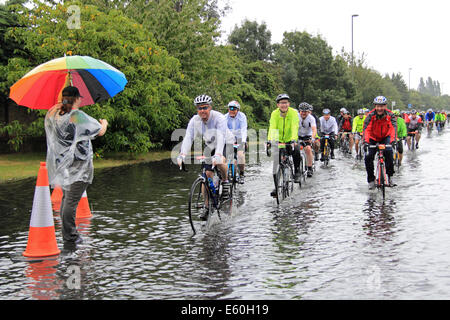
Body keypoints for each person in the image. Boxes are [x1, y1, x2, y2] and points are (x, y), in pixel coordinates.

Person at [45, 86, 108, 247]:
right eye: (79, 97)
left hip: (65, 164)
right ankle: (70, 237)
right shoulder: (76, 116)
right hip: (80, 164)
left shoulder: (56, 114)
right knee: (71, 201)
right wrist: (104, 123)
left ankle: (67, 234)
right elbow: (99, 131)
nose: (81, 99)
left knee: (67, 199)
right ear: (76, 99)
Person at [177, 95, 235, 219]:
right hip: (209, 145)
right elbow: (188, 137)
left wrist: (218, 154)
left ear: (210, 107)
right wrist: (182, 155)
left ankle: (225, 182)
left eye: (205, 107)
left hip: (225, 142)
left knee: (220, 161)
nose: (202, 110)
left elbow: (221, 137)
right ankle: (207, 206)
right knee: (207, 174)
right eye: (199, 108)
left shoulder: (218, 117)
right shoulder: (194, 120)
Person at [267, 93, 300, 196]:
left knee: (297, 151)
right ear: (278, 105)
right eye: (281, 103)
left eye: (285, 103)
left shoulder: (294, 113)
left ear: (288, 104)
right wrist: (270, 140)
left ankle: (297, 172)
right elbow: (272, 127)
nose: (284, 105)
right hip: (279, 140)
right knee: (276, 163)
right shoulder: (274, 114)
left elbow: (295, 126)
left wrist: (294, 140)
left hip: (291, 140)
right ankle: (276, 187)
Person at [363, 96, 397, 189]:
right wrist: (366, 142)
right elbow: (367, 129)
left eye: (382, 106)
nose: (379, 108)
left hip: (385, 137)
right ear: (375, 106)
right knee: (368, 156)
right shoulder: (370, 115)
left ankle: (390, 176)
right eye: (378, 106)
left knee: (389, 152)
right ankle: (371, 180)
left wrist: (393, 140)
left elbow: (393, 128)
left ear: (385, 106)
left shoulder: (390, 115)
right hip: (372, 137)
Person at [225, 100, 248, 184]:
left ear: (237, 110)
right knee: (227, 158)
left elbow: (244, 130)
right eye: (230, 109)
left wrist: (243, 141)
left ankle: (241, 174)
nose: (231, 111)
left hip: (240, 138)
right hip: (229, 139)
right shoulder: (225, 117)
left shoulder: (242, 116)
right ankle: (226, 175)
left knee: (240, 156)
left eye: (234, 109)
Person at [297, 102, 317, 177]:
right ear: (299, 111)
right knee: (295, 150)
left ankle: (309, 167)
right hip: (298, 135)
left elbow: (314, 129)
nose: (303, 113)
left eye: (305, 111)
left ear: (308, 112)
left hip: (307, 135)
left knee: (308, 149)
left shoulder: (311, 118)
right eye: (302, 111)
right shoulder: (296, 117)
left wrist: (312, 138)